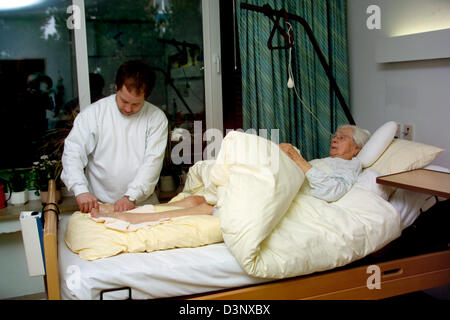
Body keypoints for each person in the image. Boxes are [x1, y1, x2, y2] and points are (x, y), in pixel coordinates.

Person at [91, 125, 370, 224]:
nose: (335, 139)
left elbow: (330, 191)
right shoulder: (323, 160)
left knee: (208, 207)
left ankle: (128, 218)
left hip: (287, 193)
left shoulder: (350, 167)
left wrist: (296, 159)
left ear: (356, 149)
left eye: (342, 137)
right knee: (197, 200)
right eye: (335, 135)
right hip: (285, 179)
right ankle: (127, 211)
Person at [61, 60, 168, 213]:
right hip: (100, 205)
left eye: (136, 104)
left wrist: (131, 196)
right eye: (124, 101)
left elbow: (152, 162)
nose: (128, 109)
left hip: (142, 204)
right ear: (116, 87)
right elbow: (73, 153)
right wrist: (80, 190)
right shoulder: (93, 114)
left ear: (147, 96)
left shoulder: (156, 118)